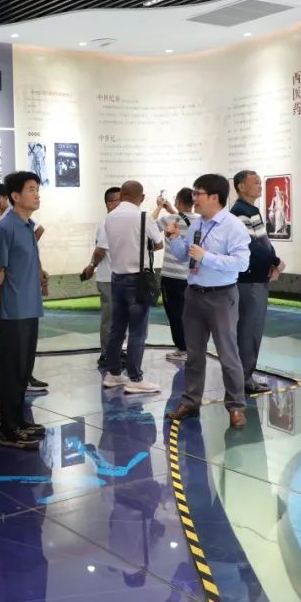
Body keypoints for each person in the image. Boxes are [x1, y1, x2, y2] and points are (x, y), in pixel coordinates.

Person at [165, 173, 251, 428]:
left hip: (222, 296)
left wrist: (207, 257)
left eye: (198, 193)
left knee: (228, 354)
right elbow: (185, 256)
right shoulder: (197, 224)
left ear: (214, 197)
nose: (194, 198)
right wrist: (175, 239)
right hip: (194, 295)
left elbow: (241, 263)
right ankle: (191, 402)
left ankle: (236, 407)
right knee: (193, 354)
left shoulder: (233, 226)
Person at [0, 171, 48, 450]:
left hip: (30, 307)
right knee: (12, 372)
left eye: (37, 189)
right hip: (12, 312)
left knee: (24, 370)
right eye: (31, 189)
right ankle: (8, 428)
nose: (37, 194)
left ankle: (19, 420)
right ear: (15, 196)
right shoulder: (6, 227)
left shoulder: (28, 225)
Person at [100, 181, 164, 394]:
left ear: (121, 195)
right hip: (138, 280)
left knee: (117, 329)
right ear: (142, 197)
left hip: (116, 278)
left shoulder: (110, 217)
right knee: (137, 332)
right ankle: (135, 378)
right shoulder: (143, 217)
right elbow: (159, 243)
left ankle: (113, 374)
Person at [230, 170, 285, 395]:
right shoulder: (240, 212)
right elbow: (250, 246)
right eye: (255, 182)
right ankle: (243, 378)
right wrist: (275, 261)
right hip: (249, 280)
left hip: (256, 278)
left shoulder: (250, 210)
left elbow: (262, 242)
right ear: (241, 187)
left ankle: (244, 375)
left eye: (260, 182)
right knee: (249, 329)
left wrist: (272, 261)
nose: (260, 186)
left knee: (250, 329)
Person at [154, 188, 197, 362]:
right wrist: (172, 209)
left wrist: (159, 206)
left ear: (178, 201)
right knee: (189, 314)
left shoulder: (169, 219)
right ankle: (192, 347)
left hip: (171, 277)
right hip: (190, 277)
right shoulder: (199, 220)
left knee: (175, 314)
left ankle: (182, 349)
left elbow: (149, 225)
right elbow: (182, 218)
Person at [82, 186, 121, 369]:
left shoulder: (118, 221)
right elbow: (100, 250)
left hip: (118, 277)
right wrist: (92, 265)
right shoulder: (107, 223)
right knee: (110, 319)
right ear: (109, 203)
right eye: (119, 200)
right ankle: (106, 354)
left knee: (118, 319)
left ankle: (117, 350)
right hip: (108, 278)